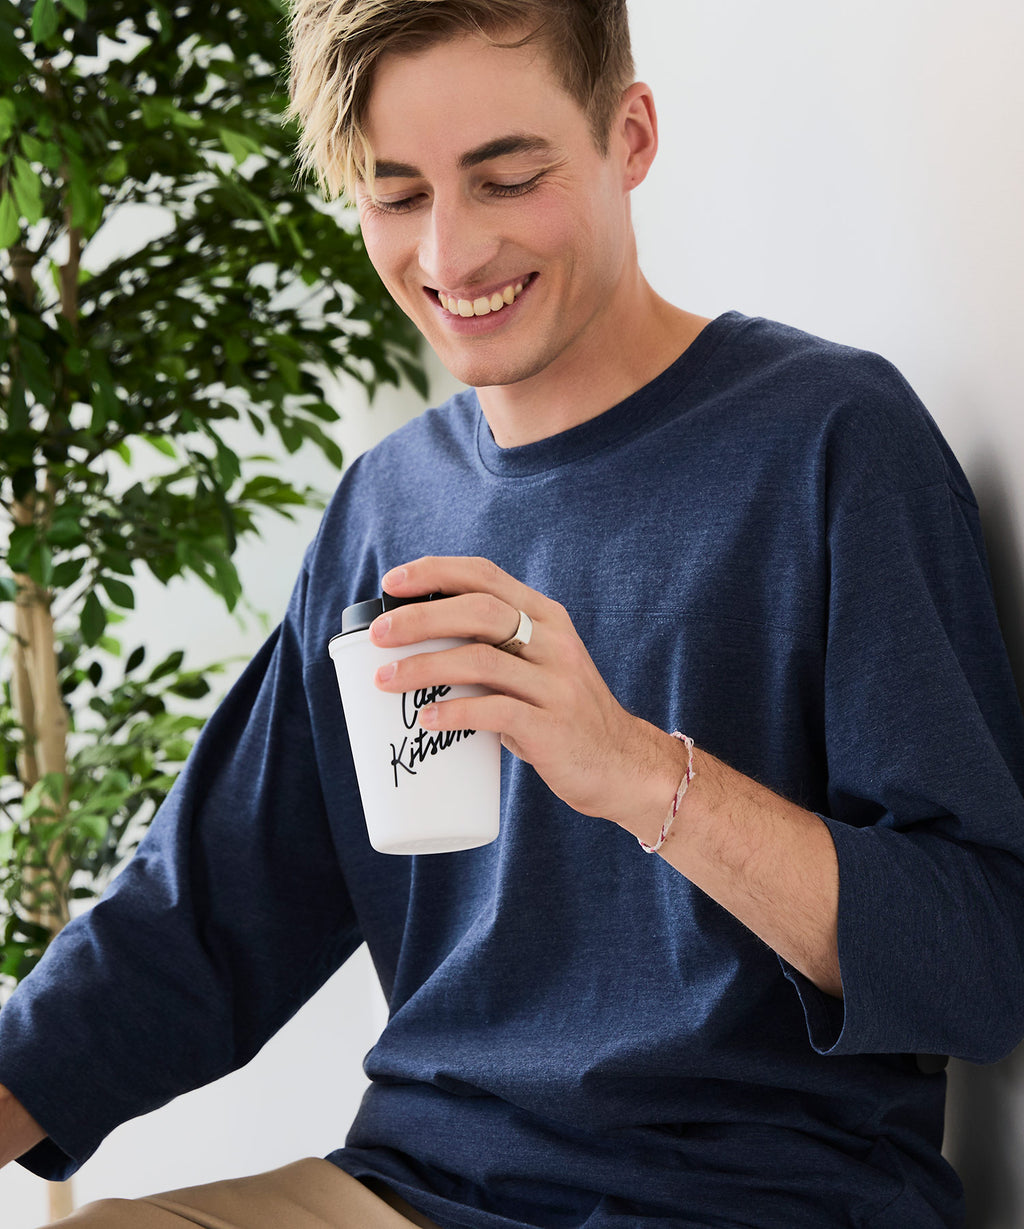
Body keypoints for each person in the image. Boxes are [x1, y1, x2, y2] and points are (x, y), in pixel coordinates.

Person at [3, 1, 1024, 1225]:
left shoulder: (830, 440)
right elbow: (197, 921)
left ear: (629, 136)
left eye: (507, 179)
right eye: (396, 195)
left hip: (748, 1197)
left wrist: (637, 770)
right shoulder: (388, 505)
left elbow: (980, 955)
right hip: (414, 1187)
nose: (450, 253)